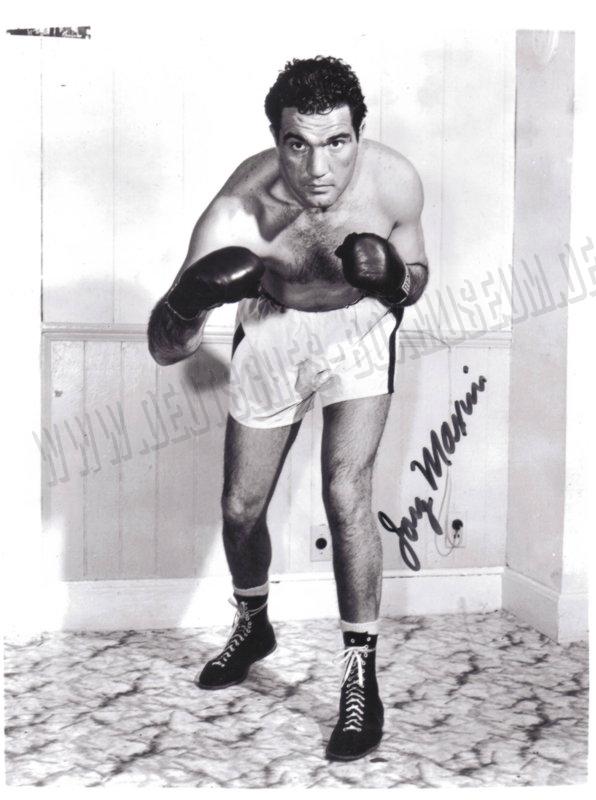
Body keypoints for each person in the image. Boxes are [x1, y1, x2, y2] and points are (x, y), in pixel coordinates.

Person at [147, 56, 428, 762]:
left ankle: (359, 678)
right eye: (297, 144)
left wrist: (396, 276)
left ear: (358, 134)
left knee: (346, 490)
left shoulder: (394, 181)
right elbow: (166, 349)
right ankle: (253, 625)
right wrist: (189, 300)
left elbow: (416, 277)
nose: (317, 168)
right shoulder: (239, 209)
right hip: (272, 328)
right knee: (240, 507)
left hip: (359, 328)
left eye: (337, 142)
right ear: (276, 140)